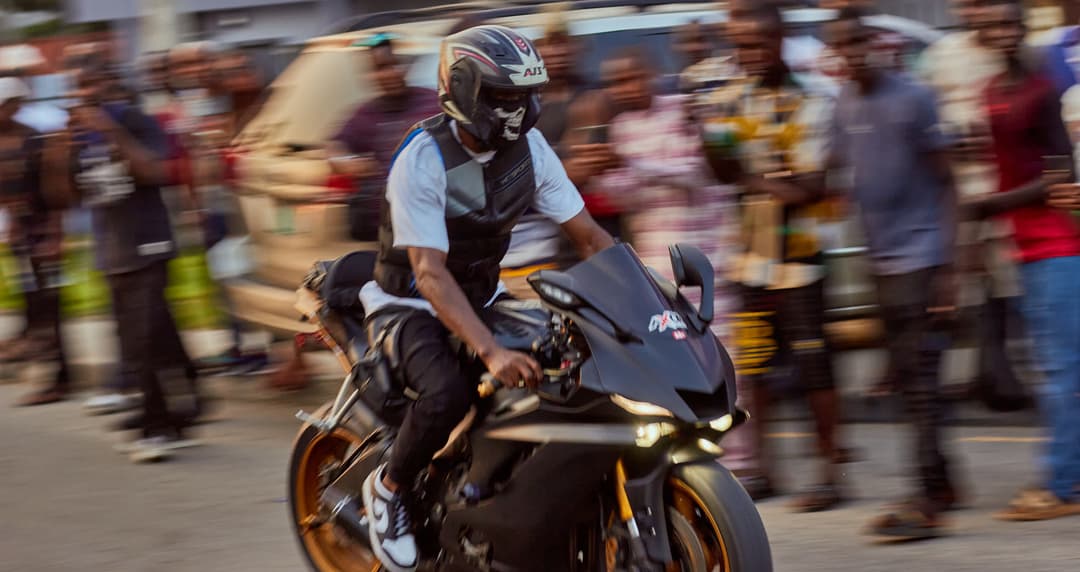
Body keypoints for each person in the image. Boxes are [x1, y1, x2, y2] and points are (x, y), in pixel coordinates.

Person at [359, 25, 614, 572]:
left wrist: (652, 302)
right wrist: (492, 352)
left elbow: (590, 237)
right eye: (503, 98)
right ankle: (388, 486)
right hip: (406, 305)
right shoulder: (422, 158)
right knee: (447, 392)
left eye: (523, 96)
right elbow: (428, 274)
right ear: (465, 89)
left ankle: (503, 491)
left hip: (482, 294)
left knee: (563, 363)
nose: (518, 110)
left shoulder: (531, 151)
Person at [825, 7, 962, 540]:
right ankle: (944, 483)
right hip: (880, 260)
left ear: (877, 42)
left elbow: (949, 183)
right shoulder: (842, 102)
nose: (853, 53)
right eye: (842, 45)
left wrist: (951, 269)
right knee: (912, 378)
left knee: (920, 381)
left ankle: (928, 498)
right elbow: (837, 172)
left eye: (860, 41)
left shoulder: (913, 97)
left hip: (922, 258)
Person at [703, 4, 845, 509]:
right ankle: (763, 470)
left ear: (781, 38)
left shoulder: (814, 100)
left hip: (801, 259)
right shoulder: (729, 97)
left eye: (758, 43)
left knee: (814, 367)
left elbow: (809, 186)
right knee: (757, 367)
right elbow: (720, 170)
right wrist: (742, 167)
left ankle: (829, 472)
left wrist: (748, 177)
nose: (749, 54)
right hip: (752, 259)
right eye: (741, 45)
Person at [964, 0, 1080, 521]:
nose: (1001, 33)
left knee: (1059, 369)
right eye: (991, 25)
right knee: (1057, 366)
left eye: (1009, 23)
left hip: (1057, 244)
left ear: (1022, 28)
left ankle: (1062, 484)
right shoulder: (988, 91)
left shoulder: (1043, 88)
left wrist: (991, 206)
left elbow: (1057, 177)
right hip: (1025, 245)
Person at [58, 63, 202, 463]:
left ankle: (155, 428)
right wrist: (62, 147)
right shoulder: (81, 136)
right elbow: (69, 196)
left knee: (142, 341)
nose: (84, 92)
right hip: (113, 251)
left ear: (110, 84)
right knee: (151, 335)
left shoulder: (137, 121)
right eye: (79, 86)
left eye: (92, 82)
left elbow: (154, 171)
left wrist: (110, 130)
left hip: (149, 243)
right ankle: (183, 398)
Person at [919, 0, 1030, 409]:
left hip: (1005, 190)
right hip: (955, 192)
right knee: (953, 289)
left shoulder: (1018, 55)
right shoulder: (943, 55)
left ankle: (994, 374)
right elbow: (923, 113)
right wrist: (948, 141)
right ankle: (942, 382)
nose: (981, 15)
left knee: (1003, 287)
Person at [0, 76, 70, 407]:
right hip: (21, 237)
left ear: (15, 106)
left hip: (45, 234)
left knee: (49, 305)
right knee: (33, 302)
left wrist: (56, 236)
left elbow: (56, 192)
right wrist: (12, 223)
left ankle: (58, 379)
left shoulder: (34, 141)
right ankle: (44, 368)